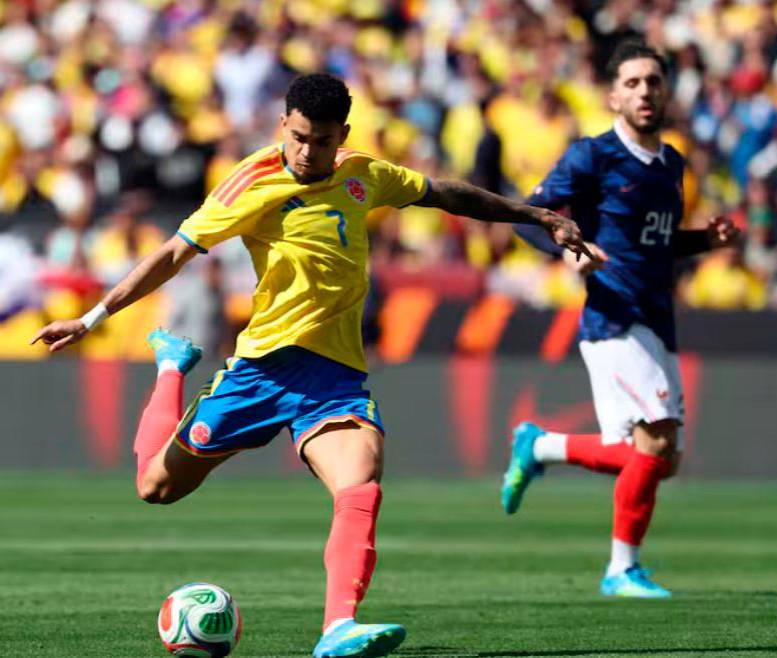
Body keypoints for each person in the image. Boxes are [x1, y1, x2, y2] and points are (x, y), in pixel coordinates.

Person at [32, 73, 588, 658]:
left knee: (361, 480)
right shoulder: (251, 180)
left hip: (333, 378)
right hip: (260, 371)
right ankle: (172, 366)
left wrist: (537, 215)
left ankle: (336, 628)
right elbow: (173, 252)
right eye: (298, 137)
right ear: (283, 125)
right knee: (155, 487)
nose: (306, 151)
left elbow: (447, 194)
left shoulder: (363, 174)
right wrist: (91, 318)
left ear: (340, 135)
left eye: (320, 141)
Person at [500, 40, 739, 599]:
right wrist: (562, 245)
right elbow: (524, 218)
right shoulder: (593, 156)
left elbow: (653, 246)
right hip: (613, 315)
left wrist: (706, 240)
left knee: (662, 459)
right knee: (654, 446)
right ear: (612, 95)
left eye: (652, 81)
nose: (644, 92)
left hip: (656, 317)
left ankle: (539, 447)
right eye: (631, 83)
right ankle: (620, 570)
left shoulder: (671, 163)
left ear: (666, 91)